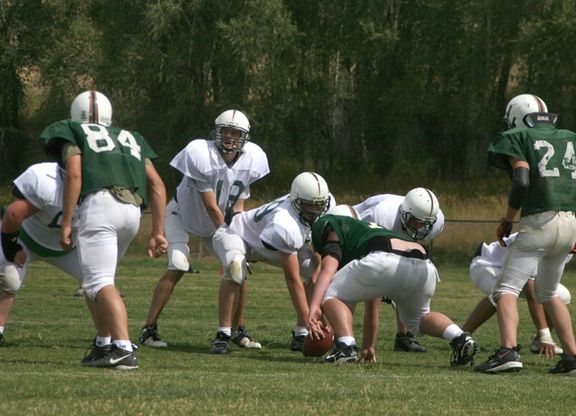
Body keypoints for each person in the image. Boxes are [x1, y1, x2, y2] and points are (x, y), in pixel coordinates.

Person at [39, 90, 168, 369]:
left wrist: (66, 221)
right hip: (132, 212)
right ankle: (103, 343)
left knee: (98, 282)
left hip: (100, 206)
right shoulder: (130, 137)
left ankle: (122, 348)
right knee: (95, 282)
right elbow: (157, 185)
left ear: (75, 114)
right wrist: (157, 231)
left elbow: (74, 173)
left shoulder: (72, 131)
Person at [474, 94, 576, 376]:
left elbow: (521, 180)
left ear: (516, 116)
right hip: (569, 223)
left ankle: (508, 351)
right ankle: (573, 358)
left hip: (539, 220)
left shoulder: (519, 138)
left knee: (507, 288)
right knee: (549, 291)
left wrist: (507, 219)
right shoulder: (567, 139)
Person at [139, 109, 269, 349]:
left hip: (216, 224)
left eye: (235, 132)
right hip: (183, 215)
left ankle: (236, 330)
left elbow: (239, 204)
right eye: (225, 131)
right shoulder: (200, 153)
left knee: (238, 264)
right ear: (216, 132)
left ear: (245, 137)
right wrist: (226, 230)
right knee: (178, 264)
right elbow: (210, 205)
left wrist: (241, 236)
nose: (230, 136)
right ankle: (149, 329)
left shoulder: (252, 159)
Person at [307, 212, 478, 366]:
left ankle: (345, 348)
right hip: (424, 264)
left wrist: (314, 305)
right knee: (419, 320)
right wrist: (368, 346)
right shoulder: (370, 232)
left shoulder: (333, 225)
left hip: (384, 258)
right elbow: (371, 304)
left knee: (330, 293)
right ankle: (460, 338)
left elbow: (327, 270)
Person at [209, 172, 331, 354]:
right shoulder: (285, 223)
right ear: (296, 201)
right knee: (235, 267)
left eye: (318, 206)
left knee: (315, 272)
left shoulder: (327, 203)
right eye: (308, 206)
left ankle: (302, 334)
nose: (314, 211)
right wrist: (309, 316)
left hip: (269, 244)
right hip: (236, 234)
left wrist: (318, 269)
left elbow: (322, 240)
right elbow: (292, 279)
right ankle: (223, 335)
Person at [0, 163, 107, 350]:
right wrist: (11, 247)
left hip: (68, 248)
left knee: (99, 284)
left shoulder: (101, 185)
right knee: (10, 279)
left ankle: (105, 339)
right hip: (25, 240)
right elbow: (13, 214)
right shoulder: (45, 178)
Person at [354, 188, 444, 353]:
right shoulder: (381, 215)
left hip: (392, 233)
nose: (420, 227)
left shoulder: (433, 221)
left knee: (409, 282)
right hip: (363, 231)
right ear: (405, 214)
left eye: (424, 223)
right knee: (368, 291)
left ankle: (404, 336)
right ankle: (344, 339)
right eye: (416, 221)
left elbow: (415, 247)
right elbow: (374, 254)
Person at [463, 233, 573, 356]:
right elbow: (531, 291)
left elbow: (544, 286)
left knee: (562, 296)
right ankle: (462, 335)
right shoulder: (540, 237)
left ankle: (537, 342)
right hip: (488, 265)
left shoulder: (567, 239)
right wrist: (545, 334)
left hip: (511, 269)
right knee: (502, 294)